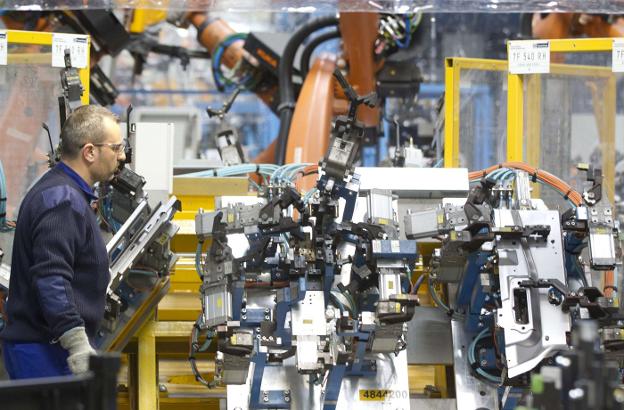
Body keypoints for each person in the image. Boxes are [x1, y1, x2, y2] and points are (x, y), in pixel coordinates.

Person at [0, 105, 125, 379]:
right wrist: (78, 345)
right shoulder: (62, 201)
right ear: (89, 152)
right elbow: (51, 279)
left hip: (49, 348)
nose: (122, 156)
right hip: (46, 353)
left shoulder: (64, 191)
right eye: (115, 148)